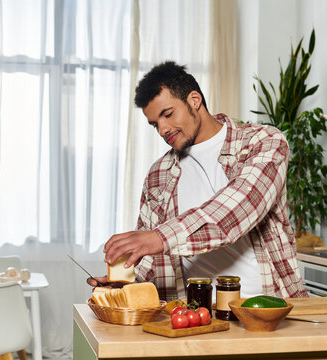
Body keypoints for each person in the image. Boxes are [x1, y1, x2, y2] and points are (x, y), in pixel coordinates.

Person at [88, 61, 307, 301]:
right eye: (155, 124)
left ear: (194, 100)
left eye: (168, 114)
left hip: (268, 308)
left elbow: (238, 210)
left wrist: (160, 237)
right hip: (196, 316)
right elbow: (151, 260)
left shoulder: (263, 142)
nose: (162, 130)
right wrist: (124, 285)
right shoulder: (158, 174)